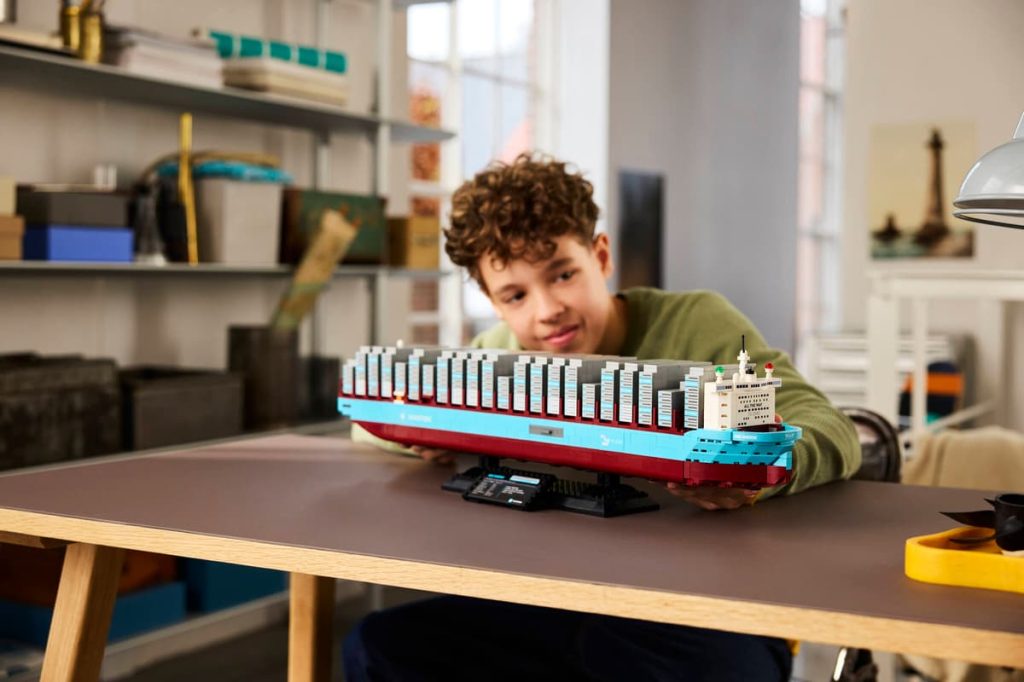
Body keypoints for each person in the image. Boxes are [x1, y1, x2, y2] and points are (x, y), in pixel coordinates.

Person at [343, 153, 861, 681]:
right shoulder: (496, 351)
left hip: (702, 608)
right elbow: (369, 426)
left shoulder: (700, 324)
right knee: (378, 646)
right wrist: (420, 434)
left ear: (602, 256)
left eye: (563, 274)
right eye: (516, 295)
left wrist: (759, 474)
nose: (546, 310)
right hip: (548, 599)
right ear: (493, 304)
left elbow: (832, 428)